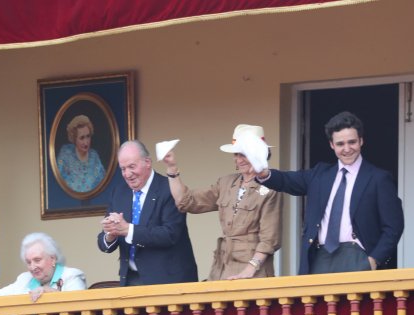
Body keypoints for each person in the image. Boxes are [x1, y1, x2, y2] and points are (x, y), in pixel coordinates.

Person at [256, 111, 404, 274]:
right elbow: (287, 180)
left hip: (358, 256)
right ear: (332, 145)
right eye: (340, 144)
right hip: (320, 257)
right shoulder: (320, 174)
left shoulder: (378, 178)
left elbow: (393, 226)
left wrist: (374, 259)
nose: (347, 149)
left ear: (361, 141)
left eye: (352, 142)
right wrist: (264, 174)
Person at [162, 125, 282, 280]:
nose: (239, 159)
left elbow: (269, 239)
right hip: (221, 268)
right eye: (236, 154)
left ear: (259, 154)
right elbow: (186, 201)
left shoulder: (271, 186)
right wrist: (172, 169)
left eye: (244, 154)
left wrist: (250, 269)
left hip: (253, 272)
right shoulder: (226, 183)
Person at [98, 140, 198, 286]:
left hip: (168, 282)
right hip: (130, 281)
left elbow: (170, 234)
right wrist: (110, 234)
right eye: (123, 169)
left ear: (148, 162)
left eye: (132, 167)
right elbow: (103, 242)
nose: (127, 174)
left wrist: (128, 230)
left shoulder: (168, 188)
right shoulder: (119, 192)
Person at [0, 232, 86, 307]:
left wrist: (49, 292)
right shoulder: (25, 279)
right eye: (28, 262)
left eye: (37, 260)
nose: (33, 267)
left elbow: (79, 305)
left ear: (53, 259)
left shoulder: (72, 276)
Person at [56, 114, 106, 193]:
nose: (86, 142)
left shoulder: (94, 157)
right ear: (74, 138)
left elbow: (103, 183)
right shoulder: (65, 154)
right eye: (82, 138)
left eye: (88, 136)